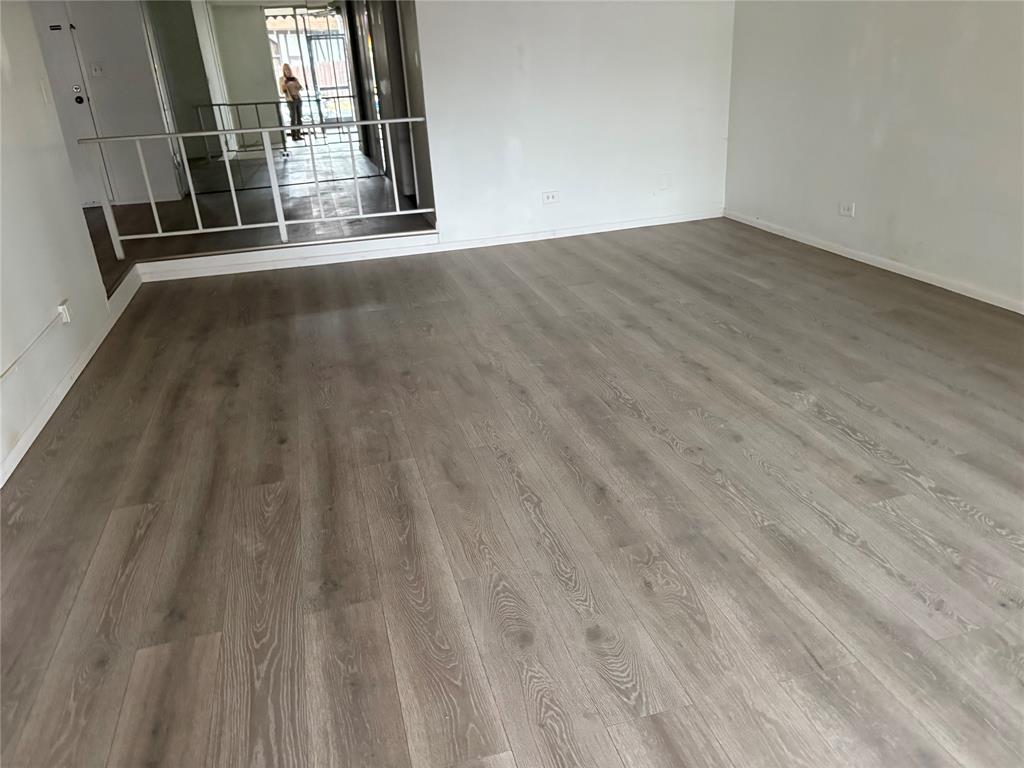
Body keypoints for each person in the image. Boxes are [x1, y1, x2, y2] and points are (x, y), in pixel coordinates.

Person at [279, 64, 303, 142]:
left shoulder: (294, 78)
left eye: (289, 69)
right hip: (290, 100)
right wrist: (284, 85)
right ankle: (293, 135)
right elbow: (282, 92)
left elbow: (300, 88)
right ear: (284, 71)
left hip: (298, 98)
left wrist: (296, 83)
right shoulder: (282, 79)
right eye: (286, 70)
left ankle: (299, 134)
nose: (288, 71)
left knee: (299, 117)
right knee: (293, 117)